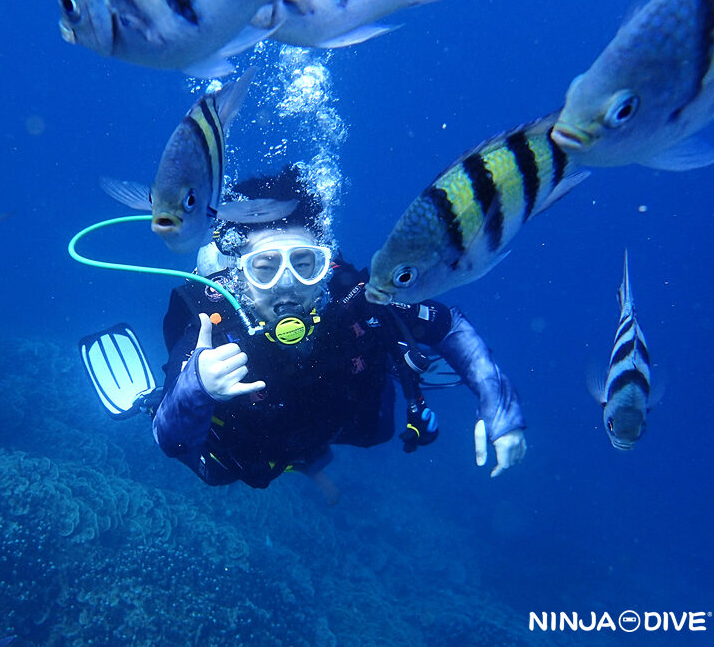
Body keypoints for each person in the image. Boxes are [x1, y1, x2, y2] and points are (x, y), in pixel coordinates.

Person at [152, 168, 526, 498]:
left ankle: (313, 452)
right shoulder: (212, 323)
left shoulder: (354, 299)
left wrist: (500, 409)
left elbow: (451, 326)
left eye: (304, 264)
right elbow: (171, 440)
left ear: (326, 264)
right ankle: (146, 398)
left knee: (371, 423)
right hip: (247, 450)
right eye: (264, 268)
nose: (288, 286)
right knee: (218, 472)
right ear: (238, 276)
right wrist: (195, 384)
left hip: (321, 425)